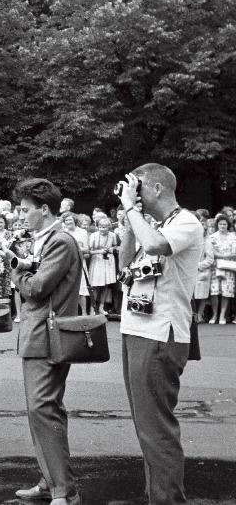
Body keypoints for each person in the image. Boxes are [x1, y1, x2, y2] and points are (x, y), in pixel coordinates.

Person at [116, 163, 205, 505]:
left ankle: (169, 499)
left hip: (159, 333)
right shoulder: (152, 224)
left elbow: (154, 246)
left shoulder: (186, 221)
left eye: (136, 186)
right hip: (138, 328)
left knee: (156, 427)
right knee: (145, 425)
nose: (132, 192)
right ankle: (159, 495)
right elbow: (125, 265)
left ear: (155, 188)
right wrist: (129, 222)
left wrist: (130, 209)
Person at [11, 178, 82, 505]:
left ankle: (63, 492)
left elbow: (38, 288)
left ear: (44, 209)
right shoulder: (50, 239)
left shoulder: (59, 241)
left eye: (25, 209)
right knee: (41, 411)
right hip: (41, 335)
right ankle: (49, 481)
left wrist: (17, 272)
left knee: (43, 410)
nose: (20, 215)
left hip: (46, 336)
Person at [207, 214, 236, 324]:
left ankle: (222, 315)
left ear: (228, 225)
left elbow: (234, 253)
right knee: (214, 291)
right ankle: (214, 314)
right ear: (217, 225)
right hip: (215, 266)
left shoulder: (233, 236)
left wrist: (220, 255)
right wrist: (224, 256)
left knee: (226, 291)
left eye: (224, 224)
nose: (222, 226)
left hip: (229, 267)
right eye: (220, 224)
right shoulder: (212, 237)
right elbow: (210, 252)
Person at [88, 216, 118, 315]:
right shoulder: (93, 235)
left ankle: (101, 307)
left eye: (104, 227)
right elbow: (89, 251)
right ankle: (93, 308)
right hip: (97, 261)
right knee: (95, 285)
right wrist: (99, 251)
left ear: (109, 227)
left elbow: (115, 246)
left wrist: (112, 249)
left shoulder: (112, 235)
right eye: (100, 226)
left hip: (108, 261)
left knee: (105, 285)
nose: (102, 229)